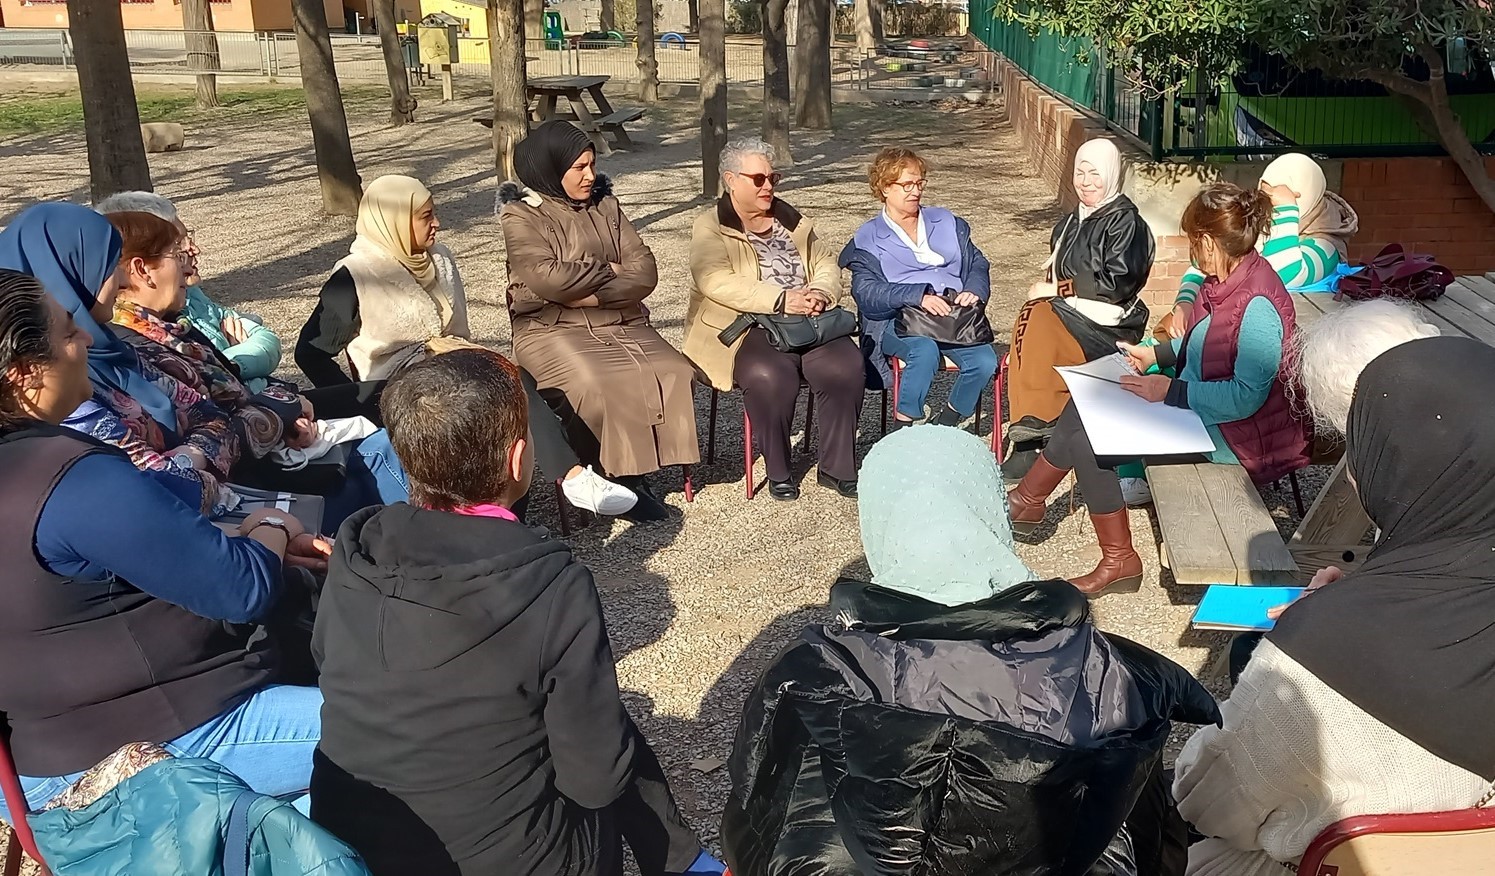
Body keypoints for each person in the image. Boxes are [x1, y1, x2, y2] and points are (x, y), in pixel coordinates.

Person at [721, 425, 1219, 876]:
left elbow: (754, 821)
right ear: (990, 512)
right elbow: (1155, 839)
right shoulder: (1114, 673)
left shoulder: (821, 671)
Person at [311, 348, 723, 876]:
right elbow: (594, 780)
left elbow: (327, 662)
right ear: (517, 459)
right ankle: (684, 863)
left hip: (352, 839)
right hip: (505, 860)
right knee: (599, 738)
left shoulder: (357, 547)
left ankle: (682, 861)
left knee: (586, 719)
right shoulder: (549, 584)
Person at [0, 267, 325, 811]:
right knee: (425, 724)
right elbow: (243, 588)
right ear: (24, 373)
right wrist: (270, 526)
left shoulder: (33, 475)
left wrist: (238, 536)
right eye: (65, 331)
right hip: (142, 747)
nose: (83, 336)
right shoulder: (70, 475)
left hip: (39, 758)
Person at [1174, 335, 1495, 876]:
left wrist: (1323, 623)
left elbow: (1209, 802)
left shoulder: (1317, 653)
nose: (1351, 469)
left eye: (1365, 445)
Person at [1007, 182, 1308, 595]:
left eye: (1191, 241)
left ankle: (1109, 555)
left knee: (1092, 435)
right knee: (1088, 407)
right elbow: (1209, 338)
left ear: (1205, 240)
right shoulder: (1229, 279)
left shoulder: (1256, 303)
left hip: (1237, 438)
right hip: (1208, 417)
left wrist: (1169, 392)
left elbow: (1245, 397)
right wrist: (1158, 354)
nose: (1190, 251)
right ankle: (1037, 507)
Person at [298, 174, 636, 519]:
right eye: (426, 216)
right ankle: (567, 481)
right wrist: (359, 399)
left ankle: (524, 512)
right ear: (395, 222)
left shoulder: (439, 258)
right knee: (498, 397)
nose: (437, 224)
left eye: (434, 213)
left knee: (510, 390)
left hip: (454, 365)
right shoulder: (355, 275)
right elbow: (310, 353)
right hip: (403, 389)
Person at [105, 209, 411, 527]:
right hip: (252, 497)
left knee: (393, 409)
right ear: (142, 270)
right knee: (391, 448)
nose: (186, 265)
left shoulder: (169, 331)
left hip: (270, 459)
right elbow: (214, 437)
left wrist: (283, 416)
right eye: (176, 254)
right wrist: (283, 410)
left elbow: (257, 351)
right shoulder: (140, 351)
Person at [500, 121, 700, 518]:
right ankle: (610, 479)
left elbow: (645, 272)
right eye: (579, 168)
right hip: (549, 327)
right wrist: (610, 270)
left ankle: (637, 470)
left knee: (672, 369)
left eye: (592, 165)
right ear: (551, 170)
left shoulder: (607, 207)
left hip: (622, 319)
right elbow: (547, 280)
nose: (590, 176)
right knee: (595, 382)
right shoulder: (521, 216)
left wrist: (589, 289)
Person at [0, 202, 242, 517]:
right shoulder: (56, 388)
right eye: (109, 266)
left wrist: (185, 459)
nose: (124, 282)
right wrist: (194, 458)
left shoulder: (111, 348)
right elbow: (162, 493)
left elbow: (214, 416)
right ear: (70, 271)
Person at [686, 137, 864, 500]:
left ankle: (837, 466)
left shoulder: (792, 220)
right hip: (745, 324)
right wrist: (780, 299)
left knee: (845, 366)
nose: (768, 186)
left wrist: (821, 292)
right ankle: (780, 469)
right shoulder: (710, 226)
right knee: (770, 375)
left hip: (809, 318)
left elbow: (826, 262)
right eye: (758, 179)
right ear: (730, 180)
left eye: (773, 177)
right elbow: (714, 279)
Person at [1005, 138, 1155, 480]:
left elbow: (1116, 284)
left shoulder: (1126, 224)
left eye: (1095, 173)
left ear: (1113, 175)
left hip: (1108, 326)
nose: (1086, 181)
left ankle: (1032, 434)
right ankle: (1029, 432)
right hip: (1071, 317)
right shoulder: (1071, 221)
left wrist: (1057, 289)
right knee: (1030, 322)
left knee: (1038, 314)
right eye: (1079, 172)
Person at [840, 147, 998, 428]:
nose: (916, 191)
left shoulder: (947, 221)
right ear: (885, 188)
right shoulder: (869, 237)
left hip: (952, 318)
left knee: (984, 361)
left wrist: (974, 288)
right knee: (924, 352)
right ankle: (904, 427)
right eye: (907, 185)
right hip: (899, 322)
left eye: (920, 183)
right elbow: (866, 294)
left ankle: (946, 423)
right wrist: (917, 295)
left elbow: (977, 262)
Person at [95, 190, 284, 394]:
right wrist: (234, 366)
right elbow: (216, 407)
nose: (192, 252)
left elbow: (266, 338)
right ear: (141, 268)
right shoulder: (139, 344)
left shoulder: (183, 310)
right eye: (178, 251)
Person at [1171, 153, 1360, 329]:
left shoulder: (1327, 246)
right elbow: (1202, 264)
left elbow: (1279, 273)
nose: (1264, 208)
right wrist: (1184, 303)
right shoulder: (1268, 227)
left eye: (1270, 201)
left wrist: (1286, 210)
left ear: (1298, 199)